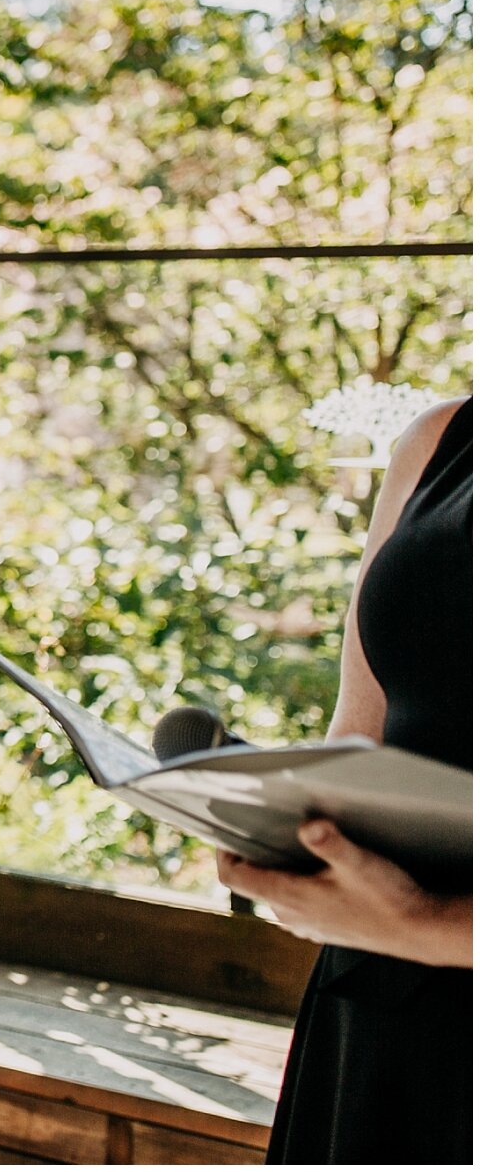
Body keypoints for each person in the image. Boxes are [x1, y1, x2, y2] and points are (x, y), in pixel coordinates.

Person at [217, 395, 472, 1164]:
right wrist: (276, 828)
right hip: (374, 1007)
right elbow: (358, 734)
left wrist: (432, 924)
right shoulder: (439, 440)